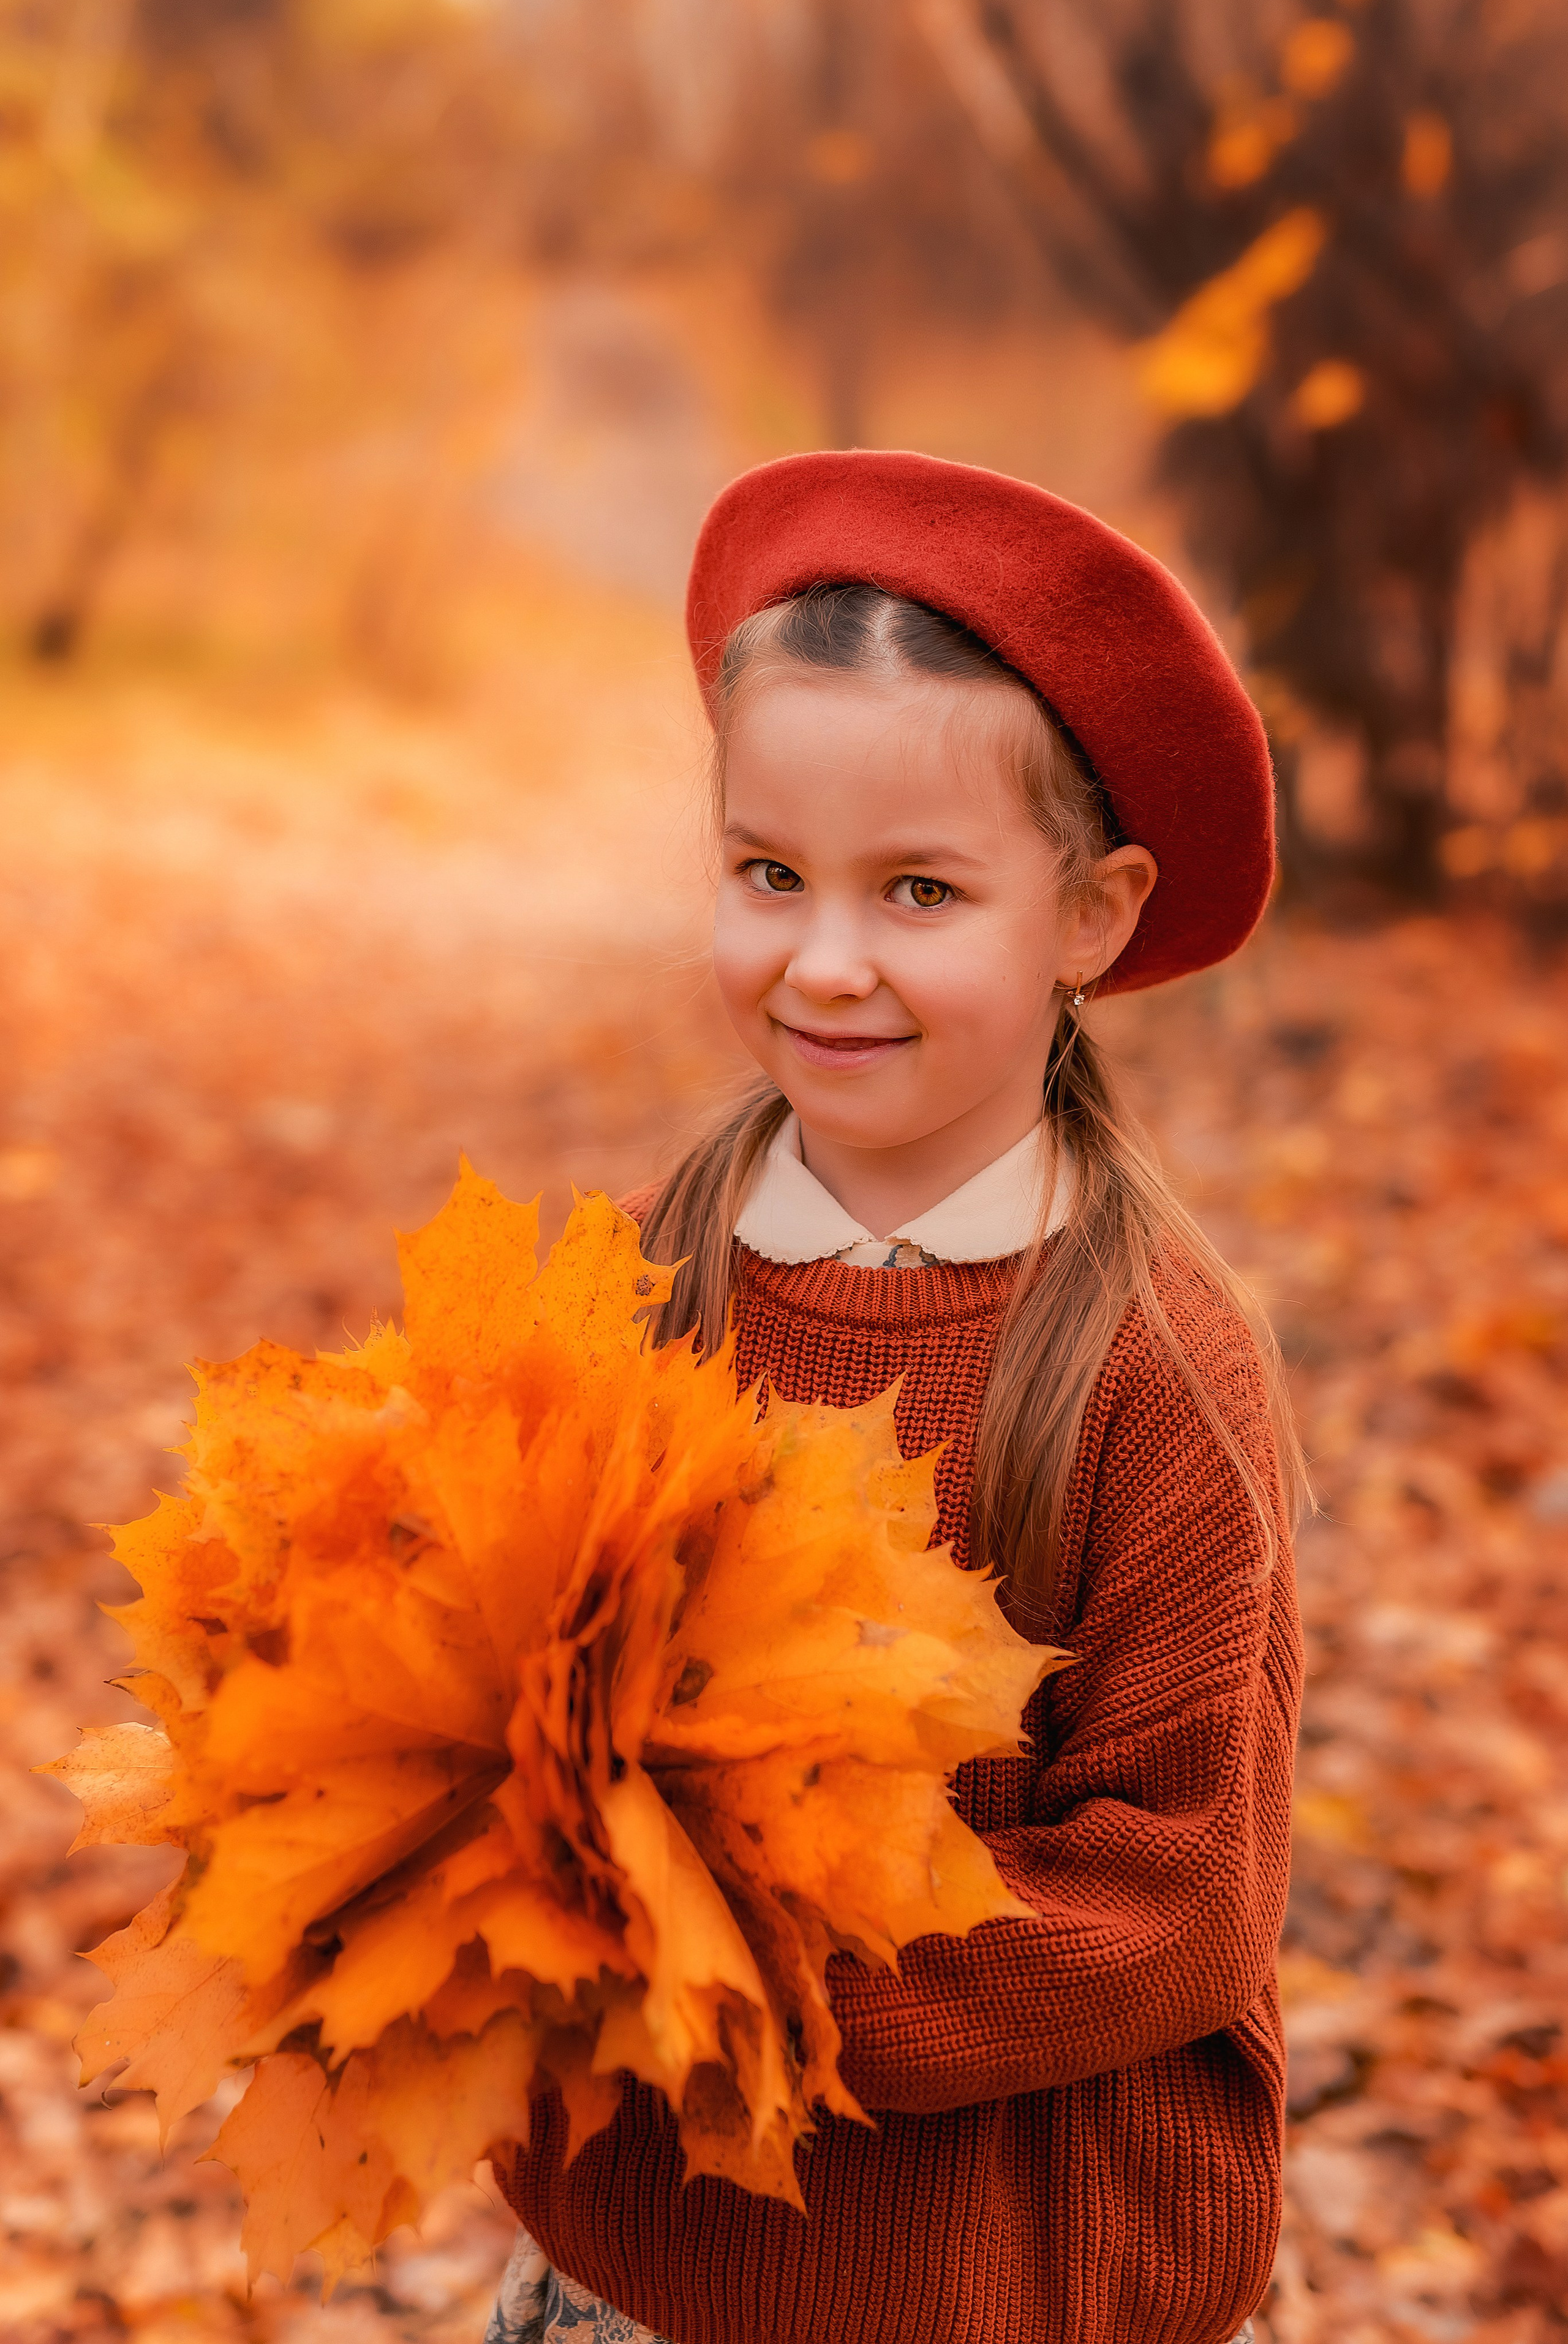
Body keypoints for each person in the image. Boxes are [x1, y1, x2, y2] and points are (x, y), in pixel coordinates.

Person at [486, 449, 1306, 2344]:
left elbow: (1177, 1890)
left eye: (920, 890)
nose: (826, 960)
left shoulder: (1149, 1369)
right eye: (768, 874)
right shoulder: (642, 1279)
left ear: (1092, 917)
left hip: (979, 2287)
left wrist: (753, 1987)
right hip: (637, 2269)